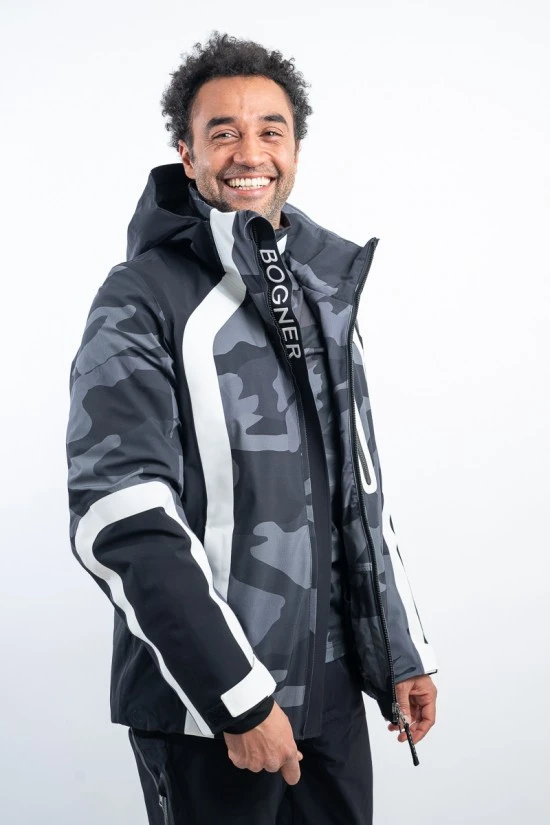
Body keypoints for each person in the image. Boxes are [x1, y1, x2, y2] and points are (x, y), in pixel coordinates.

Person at [66, 31, 438, 825]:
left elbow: (359, 490)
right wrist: (235, 696)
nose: (250, 152)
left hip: (333, 698)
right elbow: (120, 515)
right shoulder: (141, 297)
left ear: (295, 147)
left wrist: (399, 652)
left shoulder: (320, 292)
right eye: (223, 131)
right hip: (211, 713)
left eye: (271, 129)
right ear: (187, 153)